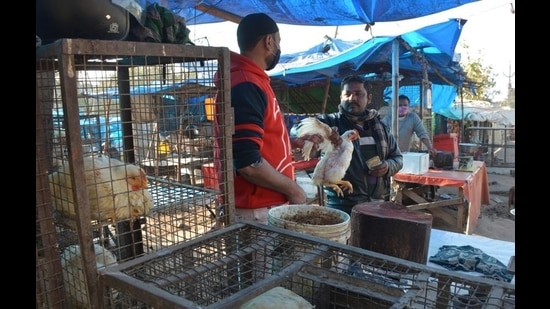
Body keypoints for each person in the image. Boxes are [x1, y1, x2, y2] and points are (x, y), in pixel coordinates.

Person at [215, 13, 323, 224]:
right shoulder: (247, 84)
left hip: (262, 206)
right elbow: (247, 162)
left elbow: (255, 140)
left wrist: (291, 144)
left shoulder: (252, 79)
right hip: (256, 211)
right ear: (269, 41)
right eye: (278, 42)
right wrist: (294, 190)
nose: (278, 48)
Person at [307, 75, 403, 215]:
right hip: (341, 204)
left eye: (358, 94)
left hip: (378, 202)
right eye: (347, 94)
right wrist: (312, 136)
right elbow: (300, 128)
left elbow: (398, 158)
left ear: (368, 98)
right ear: (341, 97)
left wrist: (388, 166)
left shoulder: (380, 128)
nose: (352, 98)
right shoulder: (330, 123)